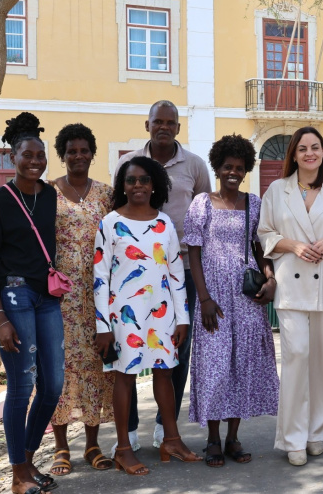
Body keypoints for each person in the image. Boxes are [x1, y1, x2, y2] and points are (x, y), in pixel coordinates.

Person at [0, 112, 63, 494]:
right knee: (22, 385)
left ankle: (26, 460)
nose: (35, 161)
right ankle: (18, 475)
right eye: (27, 154)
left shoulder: (50, 195)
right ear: (13, 157)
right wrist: (0, 317)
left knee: (53, 384)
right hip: (13, 295)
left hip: (46, 296)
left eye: (40, 155)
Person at [93, 156, 202, 475]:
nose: (137, 185)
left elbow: (176, 274)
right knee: (124, 376)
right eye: (130, 180)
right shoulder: (110, 223)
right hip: (122, 316)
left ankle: (171, 440)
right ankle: (123, 448)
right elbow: (100, 276)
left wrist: (183, 317)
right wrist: (103, 326)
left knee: (166, 372)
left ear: (155, 184)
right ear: (122, 186)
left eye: (144, 180)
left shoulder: (165, 223)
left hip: (162, 313)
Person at [115, 100, 211, 451]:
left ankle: (164, 425)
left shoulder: (195, 166)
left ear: (178, 128)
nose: (164, 127)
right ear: (147, 125)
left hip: (181, 269)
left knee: (176, 350)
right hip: (135, 271)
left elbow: (204, 217)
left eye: (171, 122)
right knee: (129, 349)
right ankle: (129, 430)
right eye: (158, 121)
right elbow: (117, 208)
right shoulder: (128, 163)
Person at [258, 126, 323, 466]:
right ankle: (293, 437)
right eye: (302, 148)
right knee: (297, 357)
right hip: (291, 284)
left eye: (315, 147)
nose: (309, 153)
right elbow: (265, 233)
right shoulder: (277, 190)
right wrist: (294, 245)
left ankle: (317, 433)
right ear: (294, 155)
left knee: (322, 364)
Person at [184, 134, 279, 467]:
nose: (233, 173)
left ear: (246, 169)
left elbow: (260, 249)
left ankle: (233, 438)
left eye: (239, 168)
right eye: (227, 167)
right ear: (217, 166)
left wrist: (270, 279)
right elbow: (193, 252)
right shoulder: (202, 203)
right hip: (214, 297)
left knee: (242, 364)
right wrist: (204, 298)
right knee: (215, 366)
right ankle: (211, 439)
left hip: (246, 295)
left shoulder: (254, 203)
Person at [47, 123, 115, 476]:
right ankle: (60, 448)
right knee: (58, 369)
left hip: (98, 297)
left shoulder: (106, 195)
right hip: (57, 298)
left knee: (94, 369)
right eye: (71, 150)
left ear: (92, 153)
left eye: (83, 149)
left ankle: (92, 443)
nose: (78, 156)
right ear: (63, 155)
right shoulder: (48, 192)